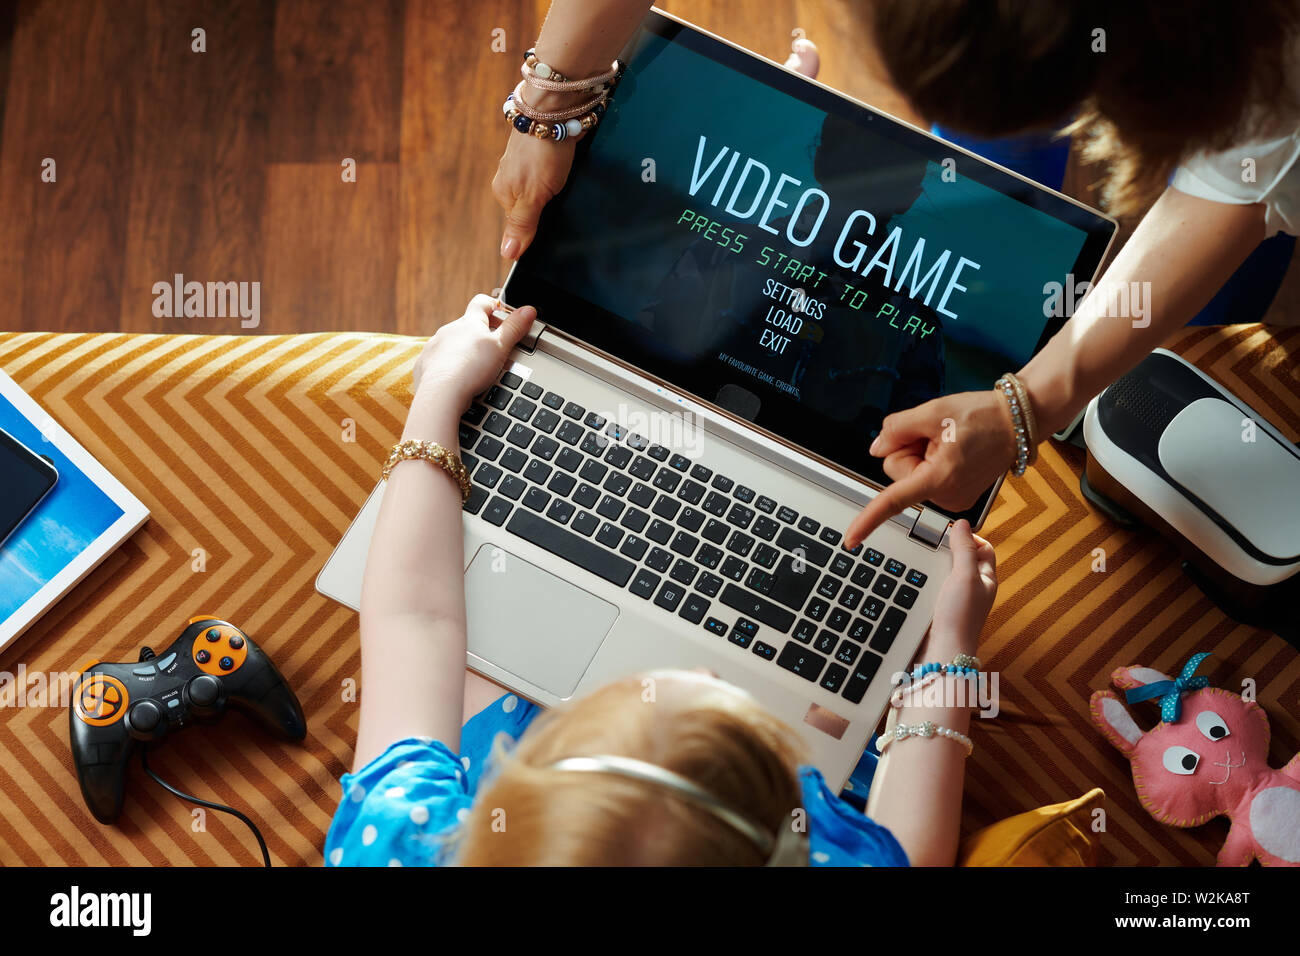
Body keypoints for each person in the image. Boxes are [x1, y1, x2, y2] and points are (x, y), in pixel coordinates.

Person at [491, 0, 1299, 552]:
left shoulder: (1273, 56)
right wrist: (551, 100)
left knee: (1205, 321)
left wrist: (1031, 405)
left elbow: (1233, 188)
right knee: (991, 163)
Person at [324, 295, 999, 866]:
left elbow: (413, 616)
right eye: (725, 704)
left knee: (486, 637)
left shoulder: (413, 841)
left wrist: (438, 394)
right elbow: (912, 850)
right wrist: (949, 654)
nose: (699, 671)